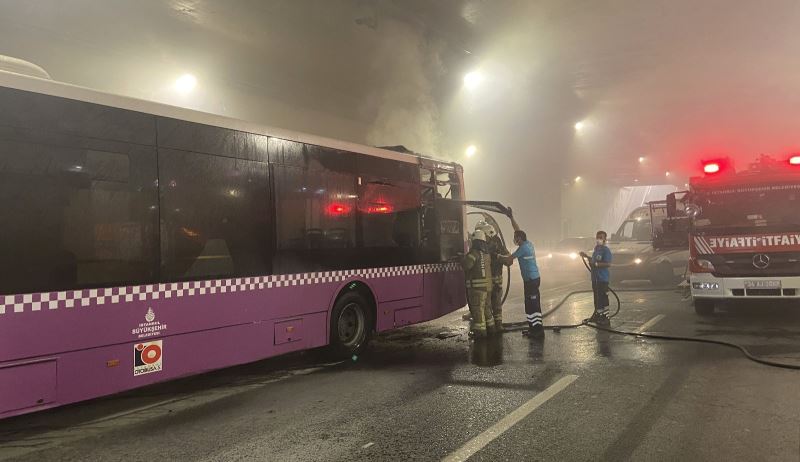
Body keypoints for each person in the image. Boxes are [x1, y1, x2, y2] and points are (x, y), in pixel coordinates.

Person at [499, 211, 543, 338]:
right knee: (529, 304)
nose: (514, 240)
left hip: (531, 280)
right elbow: (517, 229)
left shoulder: (523, 248)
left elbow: (508, 259)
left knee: (533, 305)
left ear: (520, 239)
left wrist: (496, 256)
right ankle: (533, 328)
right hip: (532, 279)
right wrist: (511, 218)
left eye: (516, 238)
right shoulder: (528, 242)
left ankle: (538, 331)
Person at [475, 221, 509, 331]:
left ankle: (493, 327)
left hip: (489, 282)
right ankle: (496, 326)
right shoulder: (496, 242)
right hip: (492, 281)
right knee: (494, 304)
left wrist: (499, 257)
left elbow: (508, 259)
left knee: (488, 305)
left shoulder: (483, 245)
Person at [462, 230, 496, 337]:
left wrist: (461, 259)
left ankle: (480, 334)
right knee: (487, 310)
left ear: (475, 241)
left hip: (477, 289)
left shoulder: (474, 253)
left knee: (478, 312)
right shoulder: (486, 254)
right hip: (488, 288)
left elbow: (467, 265)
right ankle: (492, 330)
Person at [587, 230, 613, 327]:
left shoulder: (606, 250)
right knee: (597, 298)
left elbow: (608, 263)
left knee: (603, 298)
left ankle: (606, 318)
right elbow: (594, 260)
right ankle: (598, 315)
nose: (599, 239)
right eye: (598, 237)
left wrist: (597, 264)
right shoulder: (596, 249)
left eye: (601, 238)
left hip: (602, 279)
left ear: (605, 239)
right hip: (595, 279)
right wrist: (586, 257)